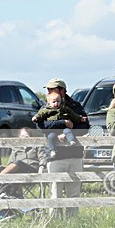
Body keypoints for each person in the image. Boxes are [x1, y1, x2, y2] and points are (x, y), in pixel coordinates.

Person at [40, 78, 87, 219]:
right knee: (55, 191)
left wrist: (69, 132)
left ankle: (72, 221)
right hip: (56, 156)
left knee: (74, 192)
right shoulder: (46, 106)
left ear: (62, 90)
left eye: (51, 89)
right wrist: (63, 124)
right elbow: (41, 126)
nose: (48, 92)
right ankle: (55, 222)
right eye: (47, 89)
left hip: (75, 154)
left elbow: (85, 126)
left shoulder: (75, 106)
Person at [32, 90, 82, 158]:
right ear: (49, 103)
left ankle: (71, 141)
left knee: (68, 131)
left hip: (63, 128)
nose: (56, 103)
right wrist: (36, 118)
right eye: (54, 102)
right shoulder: (46, 110)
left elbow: (73, 114)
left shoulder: (64, 108)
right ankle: (52, 150)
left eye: (58, 101)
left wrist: (80, 118)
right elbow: (40, 115)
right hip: (53, 130)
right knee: (50, 137)